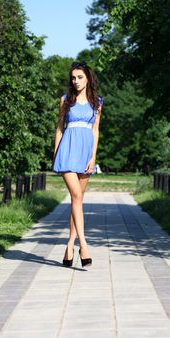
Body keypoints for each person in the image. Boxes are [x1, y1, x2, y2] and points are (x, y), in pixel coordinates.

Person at [52, 61, 103, 268]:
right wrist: (56, 155)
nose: (76, 81)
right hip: (67, 151)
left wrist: (93, 157)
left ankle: (69, 245)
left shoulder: (97, 102)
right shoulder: (65, 100)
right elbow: (59, 129)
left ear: (88, 78)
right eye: (73, 78)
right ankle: (84, 245)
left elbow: (95, 130)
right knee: (77, 196)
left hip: (86, 154)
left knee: (77, 202)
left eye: (80, 77)